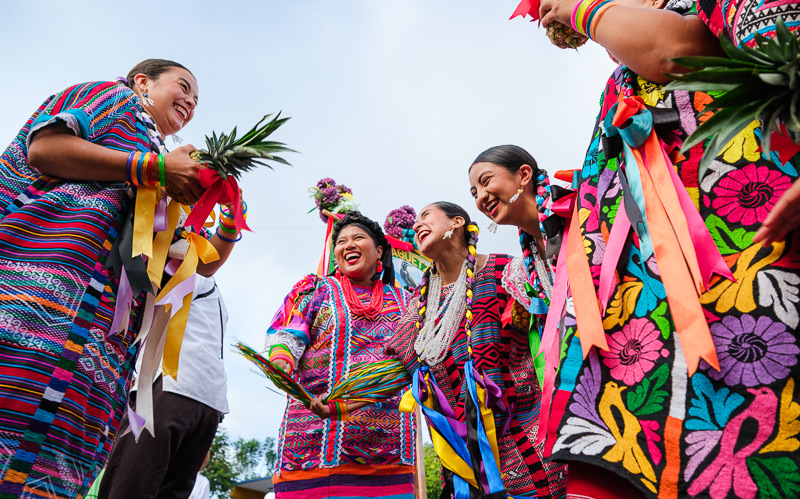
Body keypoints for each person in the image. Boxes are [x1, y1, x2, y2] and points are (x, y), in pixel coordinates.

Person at [481, 0, 800, 494]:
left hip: (750, 247)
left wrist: (582, 10)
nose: (481, 198)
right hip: (647, 325)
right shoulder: (616, 89)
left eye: (486, 182)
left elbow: (676, 51)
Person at [0, 59, 237, 498]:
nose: (189, 101)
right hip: (35, 298)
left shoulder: (157, 164)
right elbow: (45, 148)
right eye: (182, 87)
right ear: (143, 81)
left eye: (197, 100)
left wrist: (229, 219)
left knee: (58, 461)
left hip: (100, 339)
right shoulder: (114, 99)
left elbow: (192, 264)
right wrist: (154, 168)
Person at [383, 202, 567, 498]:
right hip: (462, 462)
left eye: (426, 216)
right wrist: (337, 403)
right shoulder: (418, 303)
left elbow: (556, 313)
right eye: (415, 221)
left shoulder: (504, 272)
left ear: (457, 223)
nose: (417, 225)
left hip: (526, 444)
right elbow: (391, 369)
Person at [264, 211, 416, 498]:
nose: (348, 245)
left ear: (380, 251)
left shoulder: (407, 302)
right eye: (341, 241)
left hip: (388, 455)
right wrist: (281, 362)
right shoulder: (315, 291)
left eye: (358, 238)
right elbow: (288, 333)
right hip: (311, 448)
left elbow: (411, 364)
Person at [98, 274, 229, 498]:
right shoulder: (217, 300)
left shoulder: (185, 270)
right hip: (210, 401)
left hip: (172, 386)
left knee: (128, 486)